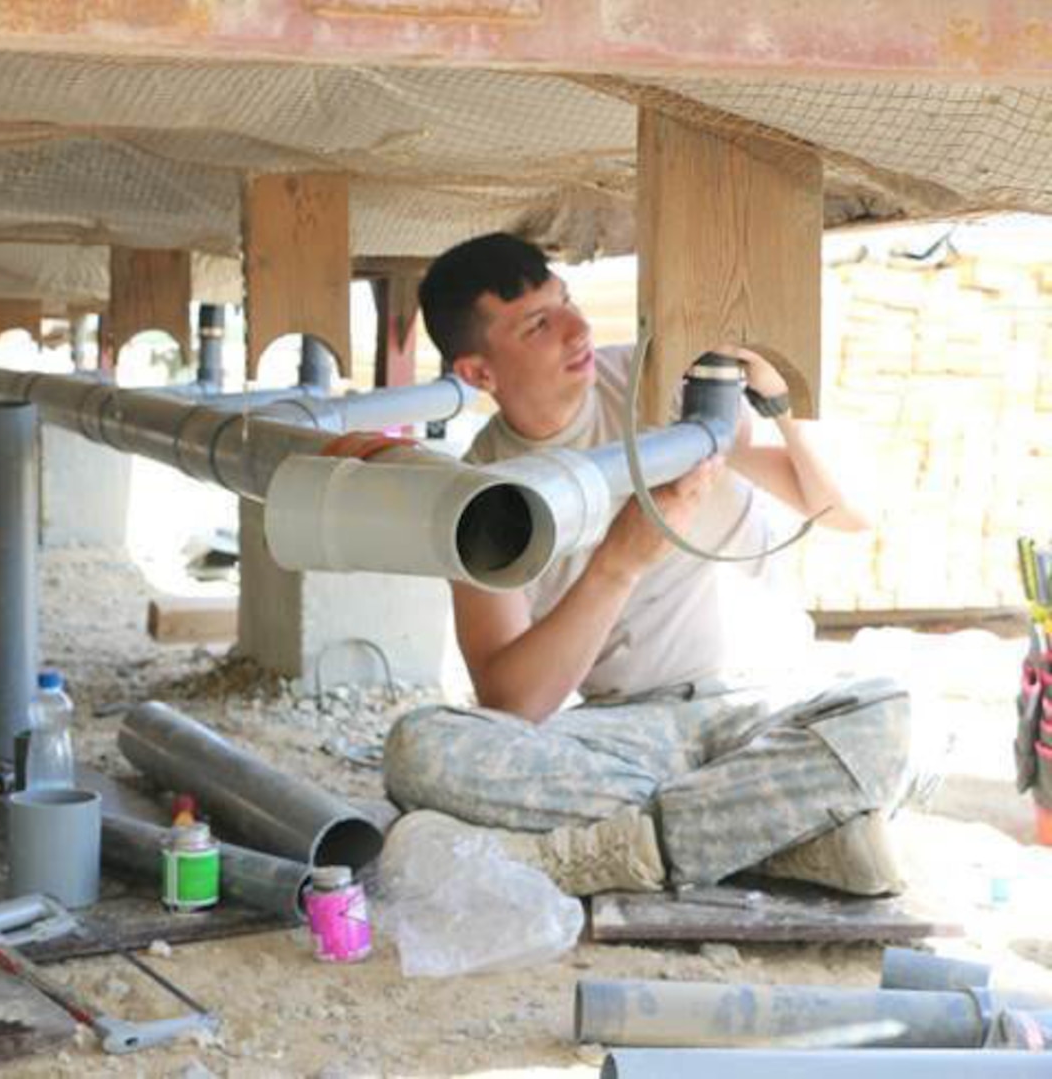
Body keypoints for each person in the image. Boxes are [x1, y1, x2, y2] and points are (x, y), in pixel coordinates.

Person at [382, 232, 910, 901]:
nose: (577, 329)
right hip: (631, 731)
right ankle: (784, 834)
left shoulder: (655, 383)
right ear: (479, 374)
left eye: (566, 302)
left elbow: (846, 512)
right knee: (419, 749)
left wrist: (779, 390)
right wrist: (617, 565)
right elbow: (512, 703)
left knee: (898, 716)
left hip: (770, 706)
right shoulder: (481, 492)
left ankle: (640, 846)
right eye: (539, 324)